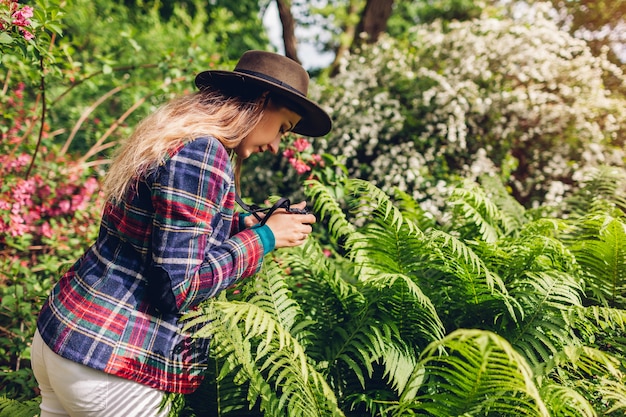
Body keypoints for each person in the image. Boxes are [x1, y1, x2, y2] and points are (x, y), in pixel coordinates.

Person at [31, 50, 332, 417]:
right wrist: (265, 238)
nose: (276, 146)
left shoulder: (179, 135)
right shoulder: (204, 153)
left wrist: (243, 225)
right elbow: (178, 287)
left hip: (64, 336)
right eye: (283, 128)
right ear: (262, 102)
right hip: (110, 361)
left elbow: (155, 231)